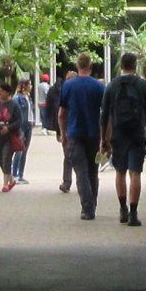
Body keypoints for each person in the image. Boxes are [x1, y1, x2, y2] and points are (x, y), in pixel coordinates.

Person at [51, 53, 107, 222]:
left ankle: (87, 208)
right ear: (90, 67)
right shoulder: (99, 87)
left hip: (75, 134)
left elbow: (61, 114)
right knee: (93, 171)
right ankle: (92, 204)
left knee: (80, 171)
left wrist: (63, 133)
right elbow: (105, 115)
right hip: (94, 135)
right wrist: (105, 138)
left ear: (77, 66)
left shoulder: (68, 86)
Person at [105, 49, 146, 227]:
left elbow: (105, 115)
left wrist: (104, 140)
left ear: (121, 65)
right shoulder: (142, 85)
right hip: (137, 133)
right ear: (135, 66)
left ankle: (122, 210)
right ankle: (134, 214)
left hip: (118, 135)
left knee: (120, 172)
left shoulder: (112, 86)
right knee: (135, 173)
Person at [5, 77, 37, 188]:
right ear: (24, 86)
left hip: (28, 125)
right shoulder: (17, 98)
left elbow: (30, 111)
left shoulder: (28, 97)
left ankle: (21, 174)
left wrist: (32, 121)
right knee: (19, 149)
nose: (31, 87)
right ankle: (15, 174)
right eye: (30, 84)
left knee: (24, 150)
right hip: (21, 126)